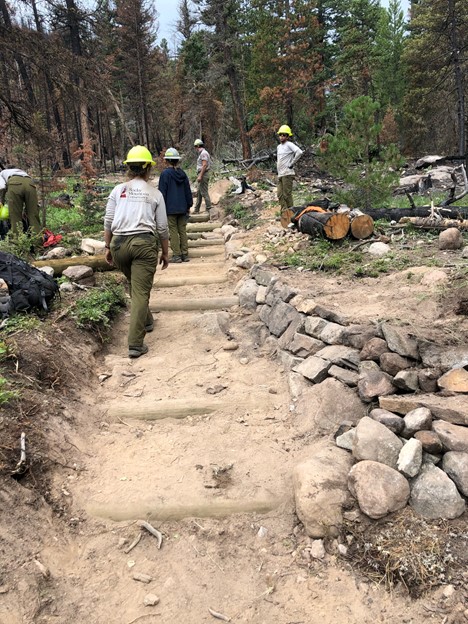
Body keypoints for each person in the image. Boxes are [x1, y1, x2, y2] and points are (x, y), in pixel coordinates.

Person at [104, 145, 169, 359]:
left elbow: (109, 222)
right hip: (143, 244)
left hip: (119, 244)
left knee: (135, 285)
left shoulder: (117, 190)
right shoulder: (155, 194)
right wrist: (165, 252)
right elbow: (162, 228)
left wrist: (108, 247)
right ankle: (135, 343)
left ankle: (147, 321)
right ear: (148, 168)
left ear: (129, 168)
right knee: (141, 292)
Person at [158, 147, 193, 263]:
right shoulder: (182, 174)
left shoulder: (165, 175)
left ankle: (176, 255)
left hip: (170, 208)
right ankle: (185, 254)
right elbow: (188, 191)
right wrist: (189, 205)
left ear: (167, 160)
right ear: (177, 160)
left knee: (173, 231)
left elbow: (162, 193)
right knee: (182, 230)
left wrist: (160, 208)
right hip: (182, 207)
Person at [0, 166, 41, 235]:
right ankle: (37, 241)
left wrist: (2, 202)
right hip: (30, 183)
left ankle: (17, 242)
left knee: (15, 215)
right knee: (33, 213)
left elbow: (2, 187)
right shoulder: (20, 171)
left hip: (14, 183)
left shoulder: (1, 173)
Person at [276, 125, 303, 227]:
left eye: (284, 135)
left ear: (287, 136)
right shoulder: (279, 147)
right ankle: (284, 213)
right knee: (280, 194)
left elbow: (299, 152)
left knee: (287, 194)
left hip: (288, 173)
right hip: (281, 174)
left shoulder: (289, 144)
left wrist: (292, 163)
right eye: (280, 135)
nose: (282, 137)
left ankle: (292, 214)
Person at [193, 139, 212, 214]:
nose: (195, 148)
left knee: (204, 192)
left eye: (195, 147)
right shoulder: (202, 153)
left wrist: (200, 176)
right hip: (202, 174)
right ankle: (196, 209)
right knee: (199, 193)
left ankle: (209, 208)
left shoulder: (203, 153)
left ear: (198, 146)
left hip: (203, 174)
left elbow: (204, 165)